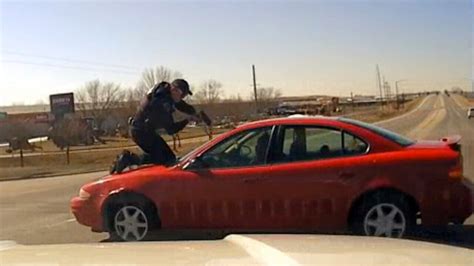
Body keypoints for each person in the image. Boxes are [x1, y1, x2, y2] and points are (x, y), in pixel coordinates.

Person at [111, 79, 199, 173]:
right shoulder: (162, 104)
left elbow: (180, 104)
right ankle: (128, 159)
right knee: (165, 158)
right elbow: (171, 129)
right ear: (175, 90)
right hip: (141, 132)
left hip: (143, 130)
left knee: (169, 157)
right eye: (183, 95)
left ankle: (132, 160)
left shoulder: (163, 93)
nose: (183, 98)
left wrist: (193, 111)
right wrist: (187, 120)